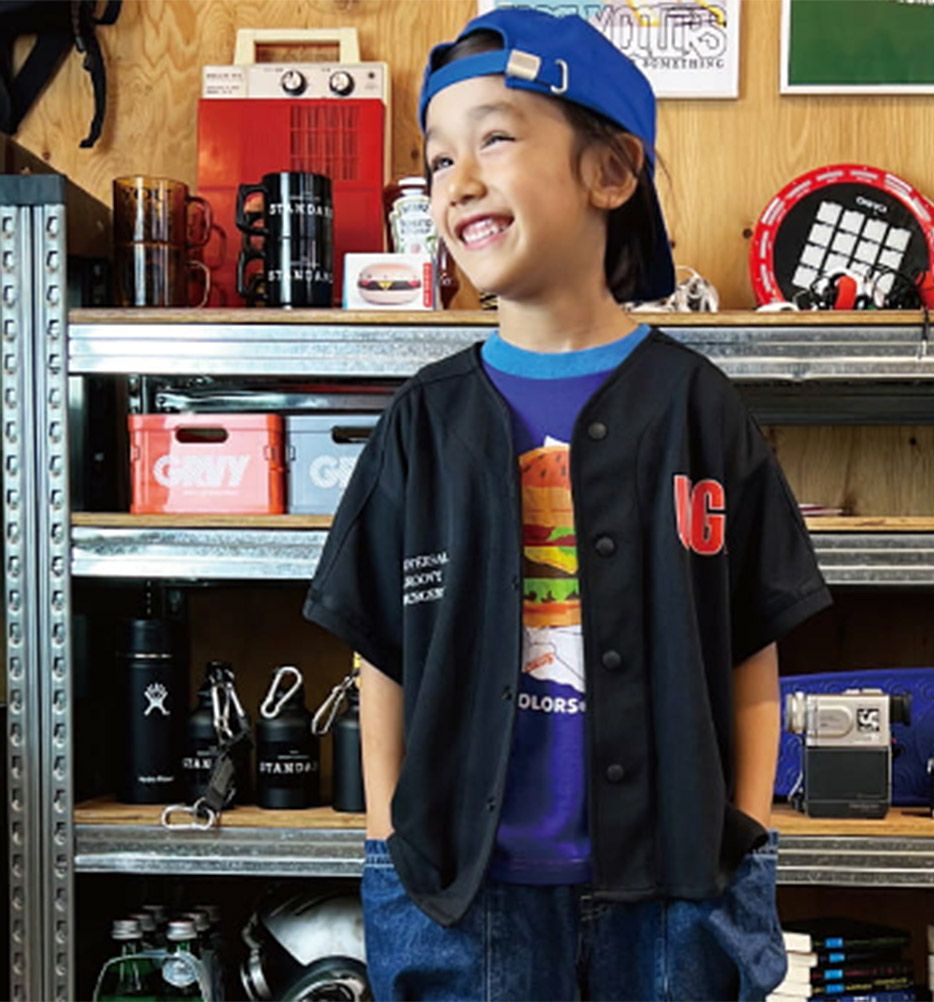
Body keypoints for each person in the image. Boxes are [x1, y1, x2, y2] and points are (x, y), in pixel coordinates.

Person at [304, 8, 833, 1000]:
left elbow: (752, 649)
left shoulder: (699, 410)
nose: (458, 182)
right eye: (438, 161)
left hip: (678, 891)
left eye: (496, 140)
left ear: (611, 173)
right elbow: (380, 657)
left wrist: (747, 832)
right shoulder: (423, 423)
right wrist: (386, 838)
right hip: (464, 899)